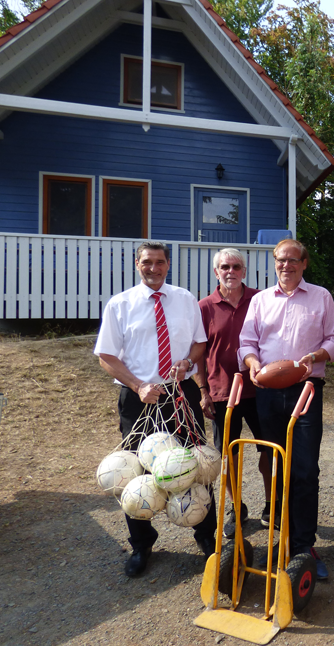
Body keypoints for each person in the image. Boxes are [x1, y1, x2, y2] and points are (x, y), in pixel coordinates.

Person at [94, 241, 215, 577]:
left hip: (181, 394)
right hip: (139, 397)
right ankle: (141, 543)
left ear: (168, 264)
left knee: (196, 464)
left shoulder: (185, 299)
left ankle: (206, 535)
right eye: (147, 262)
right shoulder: (121, 305)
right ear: (137, 264)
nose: (154, 268)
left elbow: (200, 342)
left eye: (160, 262)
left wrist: (188, 361)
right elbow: (106, 356)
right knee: (134, 471)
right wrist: (137, 385)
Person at [237, 238, 334, 581]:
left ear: (304, 263)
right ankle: (279, 543)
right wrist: (252, 363)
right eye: (281, 260)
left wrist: (315, 356)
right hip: (267, 391)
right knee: (276, 466)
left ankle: (303, 546)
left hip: (306, 390)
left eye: (293, 260)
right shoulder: (260, 301)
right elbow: (247, 344)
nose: (286, 265)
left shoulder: (321, 297)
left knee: (305, 470)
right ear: (274, 263)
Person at [195, 248, 271, 537]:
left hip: (260, 388)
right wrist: (203, 390)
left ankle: (270, 503)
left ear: (243, 270)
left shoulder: (260, 299)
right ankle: (236, 506)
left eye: (236, 266)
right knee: (228, 453)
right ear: (216, 272)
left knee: (268, 449)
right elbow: (199, 354)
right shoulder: (205, 307)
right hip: (222, 392)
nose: (230, 271)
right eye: (224, 266)